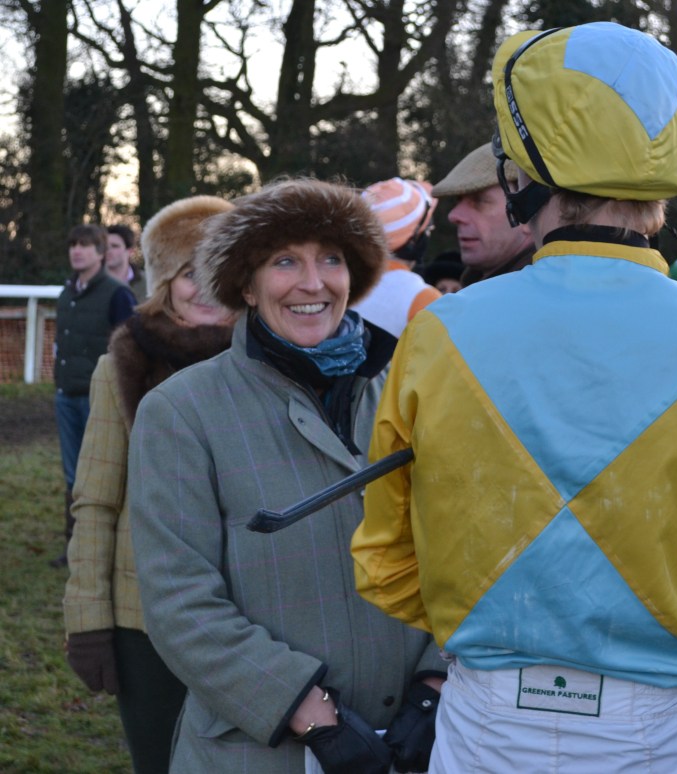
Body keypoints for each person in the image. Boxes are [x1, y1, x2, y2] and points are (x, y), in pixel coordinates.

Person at [352, 22, 677, 773]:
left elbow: (386, 563)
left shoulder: (438, 335)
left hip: (486, 720)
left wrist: (497, 623)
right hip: (657, 729)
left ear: (522, 177)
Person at [128, 178, 447, 774]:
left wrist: (435, 683)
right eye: (284, 261)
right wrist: (311, 714)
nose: (313, 282)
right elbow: (180, 603)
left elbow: (461, 550)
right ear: (246, 286)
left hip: (413, 745)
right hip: (257, 752)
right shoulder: (181, 411)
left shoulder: (410, 392)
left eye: (331, 259)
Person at [63, 196, 236, 774]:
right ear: (165, 282)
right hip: (146, 621)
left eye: (216, 273)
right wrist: (88, 620)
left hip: (249, 619)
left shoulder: (266, 364)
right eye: (189, 274)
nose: (204, 289)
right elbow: (95, 500)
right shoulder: (122, 365)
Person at [51, 224, 137, 567]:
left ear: (101, 253)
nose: (76, 250)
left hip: (99, 399)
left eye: (85, 245)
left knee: (103, 474)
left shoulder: (118, 294)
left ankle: (110, 549)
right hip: (65, 396)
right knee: (73, 475)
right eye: (73, 244)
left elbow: (129, 349)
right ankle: (75, 549)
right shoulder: (66, 293)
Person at [431, 142, 534, 285]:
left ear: (528, 212)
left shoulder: (534, 293)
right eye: (458, 200)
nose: (454, 216)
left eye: (479, 201)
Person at [352, 177, 441, 336]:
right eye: (428, 228)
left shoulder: (336, 283)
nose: (431, 230)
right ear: (414, 240)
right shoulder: (424, 299)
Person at [106, 224, 147, 302]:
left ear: (130, 251)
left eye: (115, 246)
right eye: (105, 246)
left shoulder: (147, 283)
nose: (108, 251)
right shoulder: (90, 283)